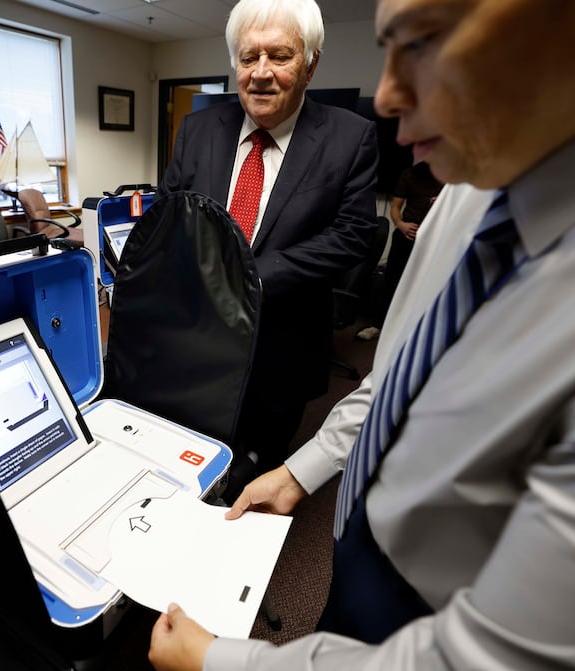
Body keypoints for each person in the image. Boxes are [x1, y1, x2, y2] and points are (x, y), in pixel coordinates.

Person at [148, 0, 575, 668]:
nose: (386, 95)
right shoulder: (464, 195)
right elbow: (396, 375)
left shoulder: (351, 138)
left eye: (426, 42)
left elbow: (487, 654)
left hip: (439, 594)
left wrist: (219, 661)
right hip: (351, 526)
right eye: (247, 57)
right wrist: (305, 472)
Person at [157, 0, 379, 475]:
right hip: (197, 336)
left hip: (284, 342)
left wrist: (248, 275)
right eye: (247, 57)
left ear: (311, 64)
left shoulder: (350, 137)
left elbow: (357, 232)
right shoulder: (197, 129)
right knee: (191, 450)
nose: (260, 73)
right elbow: (169, 211)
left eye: (279, 56)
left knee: (257, 462)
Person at [356, 160, 442, 341]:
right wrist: (401, 224)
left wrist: (443, 203)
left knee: (424, 285)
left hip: (434, 237)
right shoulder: (410, 173)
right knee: (391, 282)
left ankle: (413, 331)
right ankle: (378, 325)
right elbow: (395, 206)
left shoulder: (452, 176)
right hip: (407, 234)